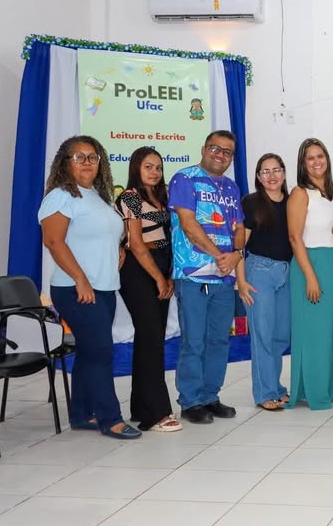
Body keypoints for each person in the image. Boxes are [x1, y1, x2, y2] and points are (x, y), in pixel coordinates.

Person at [39, 136, 140, 440]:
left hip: (105, 288)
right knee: (100, 352)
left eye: (92, 157)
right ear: (65, 163)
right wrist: (81, 279)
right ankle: (111, 419)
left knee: (88, 351)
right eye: (78, 156)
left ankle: (82, 415)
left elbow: (99, 237)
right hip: (76, 288)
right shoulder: (60, 196)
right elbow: (54, 242)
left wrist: (117, 251)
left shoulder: (95, 195)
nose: (86, 162)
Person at [169, 130, 245, 424]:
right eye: (215, 148)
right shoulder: (184, 179)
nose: (220, 155)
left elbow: (239, 226)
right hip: (194, 275)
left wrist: (236, 253)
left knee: (218, 341)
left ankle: (210, 396)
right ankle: (190, 401)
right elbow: (188, 224)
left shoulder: (231, 187)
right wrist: (218, 255)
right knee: (194, 340)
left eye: (227, 152)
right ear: (204, 148)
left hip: (224, 278)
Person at [286, 138, 333, 410]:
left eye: (320, 156)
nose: (317, 162)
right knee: (314, 332)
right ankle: (314, 391)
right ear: (303, 164)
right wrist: (311, 276)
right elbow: (294, 237)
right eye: (310, 158)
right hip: (311, 263)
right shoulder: (300, 193)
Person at [116, 147, 180, 432]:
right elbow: (137, 245)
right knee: (151, 338)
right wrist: (158, 278)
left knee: (149, 338)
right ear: (136, 169)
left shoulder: (162, 196)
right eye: (148, 167)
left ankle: (142, 407)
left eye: (158, 167)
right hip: (139, 270)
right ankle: (157, 413)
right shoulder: (130, 197)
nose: (155, 172)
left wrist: (170, 273)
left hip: (162, 266)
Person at [236, 154, 292, 412]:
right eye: (265, 171)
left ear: (283, 172)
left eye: (276, 170)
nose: (272, 176)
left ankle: (277, 386)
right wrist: (241, 280)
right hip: (259, 271)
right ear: (258, 177)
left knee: (281, 335)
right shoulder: (251, 203)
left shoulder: (293, 202)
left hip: (287, 272)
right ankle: (265, 392)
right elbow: (239, 244)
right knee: (263, 335)